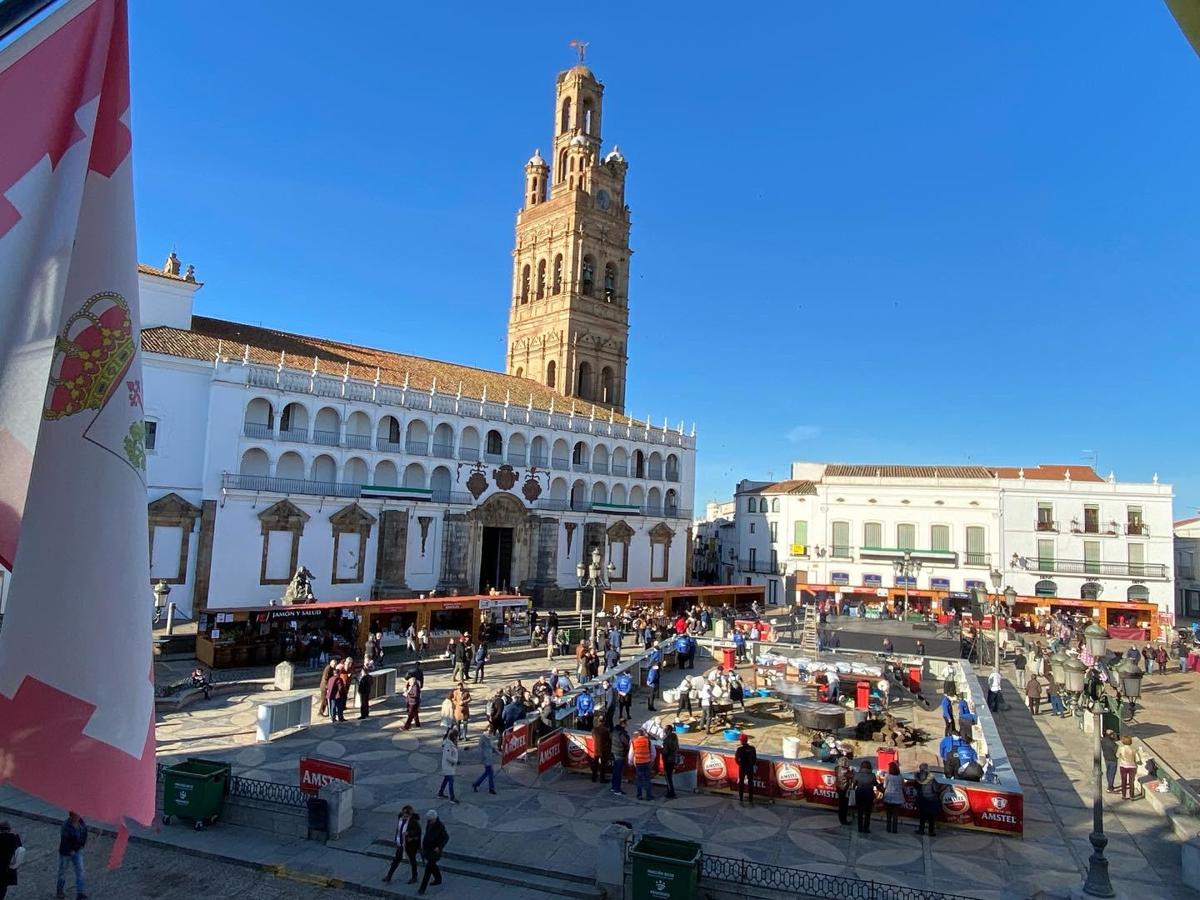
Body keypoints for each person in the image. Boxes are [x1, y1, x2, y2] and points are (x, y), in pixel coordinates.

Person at [383, 805, 422, 884]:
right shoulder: (400, 818)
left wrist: (409, 834)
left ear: (410, 815)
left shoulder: (414, 821)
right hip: (401, 843)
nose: (404, 816)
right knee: (396, 860)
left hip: (410, 845)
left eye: (406, 815)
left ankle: (414, 876)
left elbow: (418, 833)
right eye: (404, 814)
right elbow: (398, 829)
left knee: (412, 860)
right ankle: (389, 876)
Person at [56, 810, 88, 899]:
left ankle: (80, 893)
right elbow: (65, 841)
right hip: (66, 853)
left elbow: (84, 835)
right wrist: (71, 850)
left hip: (77, 851)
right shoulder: (66, 826)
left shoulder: (81, 823)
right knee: (62, 872)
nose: (78, 817)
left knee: (80, 871)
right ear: (71, 816)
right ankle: (59, 890)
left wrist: (80, 846)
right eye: (76, 815)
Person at [418, 809, 449, 894]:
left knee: (428, 869)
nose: (429, 821)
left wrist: (439, 847)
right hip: (428, 849)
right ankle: (438, 879)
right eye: (428, 820)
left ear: (435, 818)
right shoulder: (429, 823)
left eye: (430, 820)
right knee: (432, 866)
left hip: (435, 851)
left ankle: (422, 888)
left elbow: (446, 838)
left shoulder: (440, 826)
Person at [913, 763, 943, 837]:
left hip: (922, 799)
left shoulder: (917, 777)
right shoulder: (931, 779)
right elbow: (936, 789)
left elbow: (916, 788)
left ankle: (921, 830)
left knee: (922, 817)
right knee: (931, 818)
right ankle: (931, 832)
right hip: (931, 800)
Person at [853, 761, 879, 834]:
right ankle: (866, 828)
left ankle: (860, 828)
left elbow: (854, 784)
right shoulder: (872, 775)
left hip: (859, 793)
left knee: (860, 812)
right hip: (869, 793)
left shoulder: (857, 774)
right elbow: (875, 784)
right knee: (867, 813)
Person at [0, 820, 22, 900]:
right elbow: (20, 849)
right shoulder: (13, 838)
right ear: (9, 829)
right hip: (7, 869)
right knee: (3, 888)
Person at [632, 727, 655, 801]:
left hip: (638, 763)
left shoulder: (634, 741)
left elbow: (631, 753)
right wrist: (651, 761)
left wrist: (631, 762)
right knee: (647, 779)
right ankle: (648, 796)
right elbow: (653, 753)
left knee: (639, 780)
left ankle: (639, 795)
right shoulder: (648, 741)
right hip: (647, 762)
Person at [471, 729, 497, 795]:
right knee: (490, 773)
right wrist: (482, 758)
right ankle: (491, 788)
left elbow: (493, 748)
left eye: (491, 731)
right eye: (489, 731)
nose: (490, 732)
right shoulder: (483, 737)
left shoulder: (490, 737)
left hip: (489, 757)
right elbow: (480, 747)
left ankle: (476, 784)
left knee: (486, 773)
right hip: (486, 758)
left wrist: (500, 753)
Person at [882, 761, 904, 833]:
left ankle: (888, 828)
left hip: (889, 797)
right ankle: (895, 829)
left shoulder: (888, 776)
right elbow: (902, 786)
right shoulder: (900, 776)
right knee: (895, 815)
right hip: (898, 797)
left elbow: (884, 786)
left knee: (889, 814)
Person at [1117, 735, 1142, 800]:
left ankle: (1124, 795)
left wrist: (1122, 757)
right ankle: (1132, 796)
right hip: (1132, 766)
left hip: (1123, 766)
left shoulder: (1121, 748)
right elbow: (1138, 759)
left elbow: (1117, 755)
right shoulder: (1134, 749)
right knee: (1131, 782)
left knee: (1123, 781)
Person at [610, 719, 631, 795]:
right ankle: (617, 789)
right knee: (619, 772)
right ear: (623, 724)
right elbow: (626, 742)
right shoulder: (621, 733)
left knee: (615, 771)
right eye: (626, 724)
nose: (626, 726)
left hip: (614, 752)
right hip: (620, 753)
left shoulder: (614, 731)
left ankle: (613, 787)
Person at [735, 734, 757, 804]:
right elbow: (754, 759)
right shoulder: (752, 748)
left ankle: (741, 798)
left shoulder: (739, 749)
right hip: (750, 767)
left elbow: (736, 759)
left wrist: (740, 764)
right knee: (750, 782)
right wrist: (751, 764)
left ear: (741, 741)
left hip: (743, 767)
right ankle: (751, 798)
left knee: (741, 782)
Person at [834, 755, 854, 826]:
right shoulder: (847, 771)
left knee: (840, 805)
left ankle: (841, 819)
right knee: (844, 806)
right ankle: (844, 820)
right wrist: (851, 770)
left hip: (838, 788)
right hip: (845, 789)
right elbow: (852, 776)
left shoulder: (836, 768)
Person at [591, 717, 611, 784]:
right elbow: (608, 740)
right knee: (603, 765)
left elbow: (593, 737)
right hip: (603, 749)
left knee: (595, 763)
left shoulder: (594, 729)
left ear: (599, 721)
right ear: (604, 722)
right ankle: (602, 779)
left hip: (596, 748)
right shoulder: (605, 730)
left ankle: (593, 777)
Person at [662, 723, 679, 800]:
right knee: (670, 776)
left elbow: (665, 751)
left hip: (668, 760)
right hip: (673, 759)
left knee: (668, 777)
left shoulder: (667, 739)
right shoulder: (674, 736)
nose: (664, 730)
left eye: (665, 729)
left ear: (668, 730)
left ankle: (670, 792)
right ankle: (670, 791)